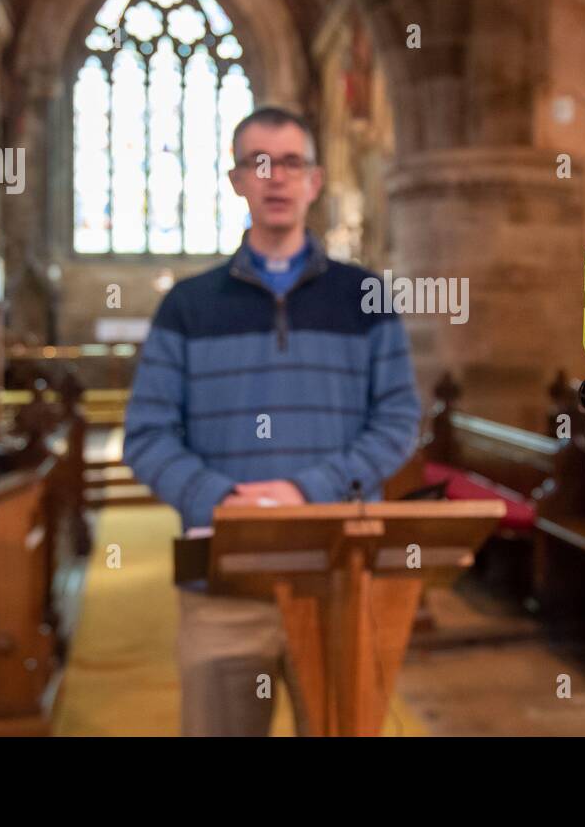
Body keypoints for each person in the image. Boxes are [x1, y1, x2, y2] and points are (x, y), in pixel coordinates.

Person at [123, 106, 421, 735]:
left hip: (337, 574)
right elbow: (147, 435)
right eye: (259, 163)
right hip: (223, 587)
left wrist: (304, 492)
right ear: (236, 180)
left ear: (314, 180)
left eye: (291, 163)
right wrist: (223, 499)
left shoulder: (364, 297)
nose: (276, 177)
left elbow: (397, 422)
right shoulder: (187, 305)